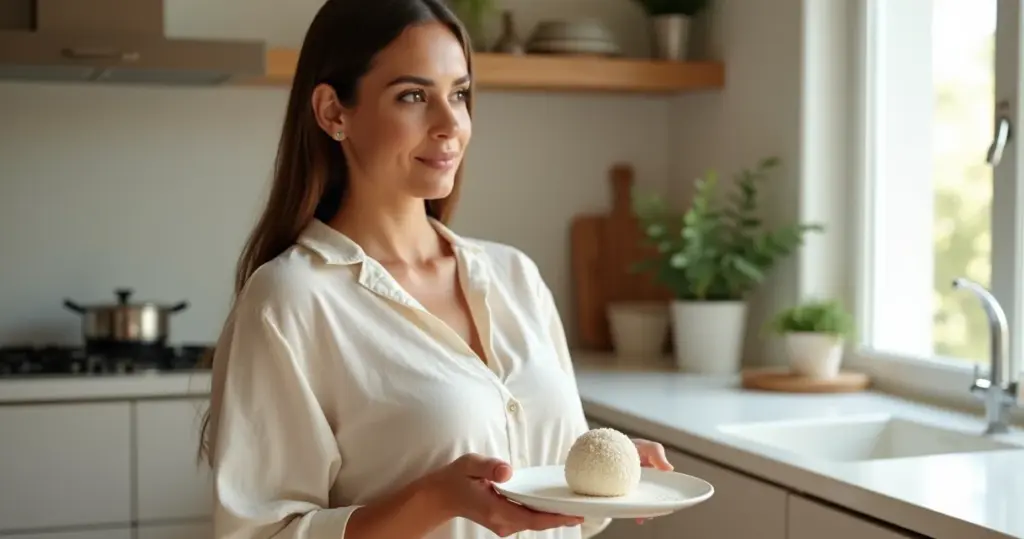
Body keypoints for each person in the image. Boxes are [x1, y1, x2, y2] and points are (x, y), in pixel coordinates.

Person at [197, 0, 674, 537]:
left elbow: (562, 515)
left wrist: (598, 475)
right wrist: (431, 500)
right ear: (334, 112)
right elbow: (262, 533)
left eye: (460, 94)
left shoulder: (515, 277)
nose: (451, 124)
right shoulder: (290, 301)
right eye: (413, 96)